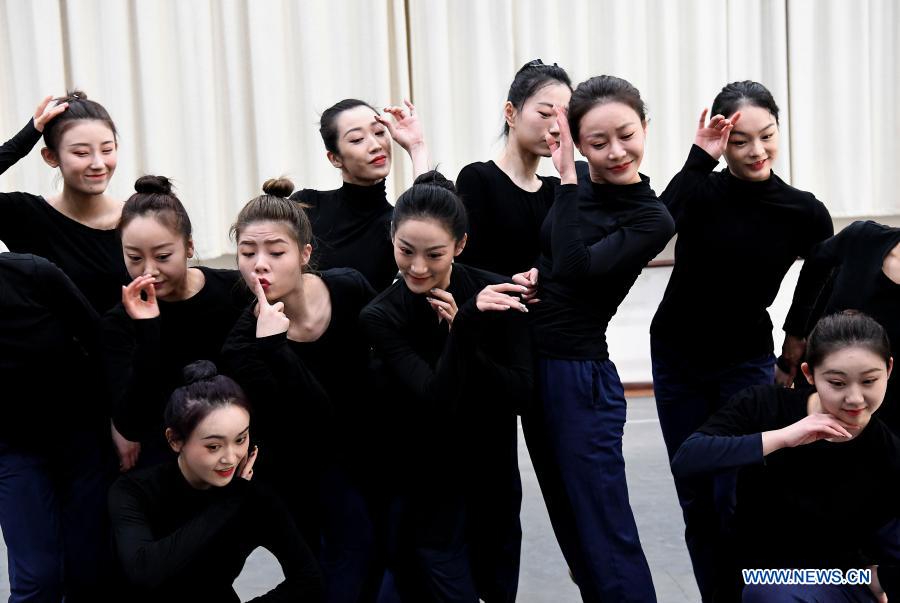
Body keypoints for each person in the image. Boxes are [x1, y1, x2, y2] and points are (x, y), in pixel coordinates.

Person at [648, 80, 834, 601]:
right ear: (722, 142)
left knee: (741, 494)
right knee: (697, 499)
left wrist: (794, 346)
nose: (756, 151)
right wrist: (696, 159)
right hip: (678, 358)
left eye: (767, 136)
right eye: (739, 141)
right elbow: (654, 228)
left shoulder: (804, 211)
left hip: (746, 361)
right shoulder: (700, 191)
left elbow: (819, 281)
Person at [516, 75, 674, 602]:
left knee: (604, 524)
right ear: (578, 143)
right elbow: (553, 259)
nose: (615, 152)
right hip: (535, 366)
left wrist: (563, 181)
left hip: (580, 378)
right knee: (569, 521)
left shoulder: (651, 216)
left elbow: (577, 266)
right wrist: (537, 275)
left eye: (626, 135)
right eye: (598, 143)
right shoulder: (577, 181)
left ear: (645, 128)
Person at [360, 171, 533, 602]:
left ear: (459, 245)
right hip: (426, 479)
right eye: (406, 251)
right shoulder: (381, 316)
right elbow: (436, 398)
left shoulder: (496, 293)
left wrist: (465, 328)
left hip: (492, 471)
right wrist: (464, 331)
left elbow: (520, 393)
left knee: (496, 583)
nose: (418, 267)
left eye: (434, 254)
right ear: (392, 240)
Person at [222, 178, 381, 602]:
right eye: (247, 253)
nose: (260, 265)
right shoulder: (243, 343)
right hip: (301, 467)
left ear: (304, 254)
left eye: (275, 252)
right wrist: (274, 347)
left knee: (372, 560)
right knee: (326, 566)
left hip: (368, 453)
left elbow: (385, 356)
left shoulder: (347, 288)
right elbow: (315, 415)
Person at [671, 312, 898, 603]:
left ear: (888, 370)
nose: (855, 398)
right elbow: (688, 458)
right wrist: (783, 437)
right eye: (837, 383)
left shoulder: (888, 445)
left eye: (869, 381)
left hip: (847, 579)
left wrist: (882, 578)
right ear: (809, 374)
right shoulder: (764, 406)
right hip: (768, 579)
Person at [108, 360, 323, 602]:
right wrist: (228, 503)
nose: (231, 458)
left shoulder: (254, 497)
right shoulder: (134, 491)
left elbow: (308, 578)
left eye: (240, 439)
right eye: (214, 446)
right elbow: (144, 573)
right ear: (175, 440)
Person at [102, 175, 249, 471]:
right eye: (134, 258)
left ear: (189, 246)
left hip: (240, 451)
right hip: (168, 462)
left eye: (163, 256)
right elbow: (131, 422)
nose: (149, 271)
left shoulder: (235, 292)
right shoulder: (120, 321)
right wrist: (147, 327)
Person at [0, 251, 110, 601]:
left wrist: (121, 426)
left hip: (81, 440)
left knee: (87, 569)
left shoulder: (33, 273)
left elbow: (101, 342)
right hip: (11, 450)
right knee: (38, 578)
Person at [0, 92, 128, 312]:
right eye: (81, 153)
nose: (98, 163)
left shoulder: (140, 217)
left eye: (107, 150)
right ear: (51, 157)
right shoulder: (25, 216)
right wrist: (24, 139)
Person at [290, 99, 430, 291]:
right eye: (357, 139)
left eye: (380, 132)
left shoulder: (396, 223)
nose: (375, 145)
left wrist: (417, 146)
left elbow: (432, 223)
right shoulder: (307, 205)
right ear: (335, 158)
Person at [456, 59, 571, 276]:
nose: (556, 128)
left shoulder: (557, 189)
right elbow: (466, 266)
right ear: (510, 113)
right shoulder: (478, 178)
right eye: (545, 114)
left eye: (565, 118)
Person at [783, 220, 900, 429]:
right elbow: (814, 266)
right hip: (819, 401)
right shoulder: (863, 239)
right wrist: (795, 333)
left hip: (887, 424)